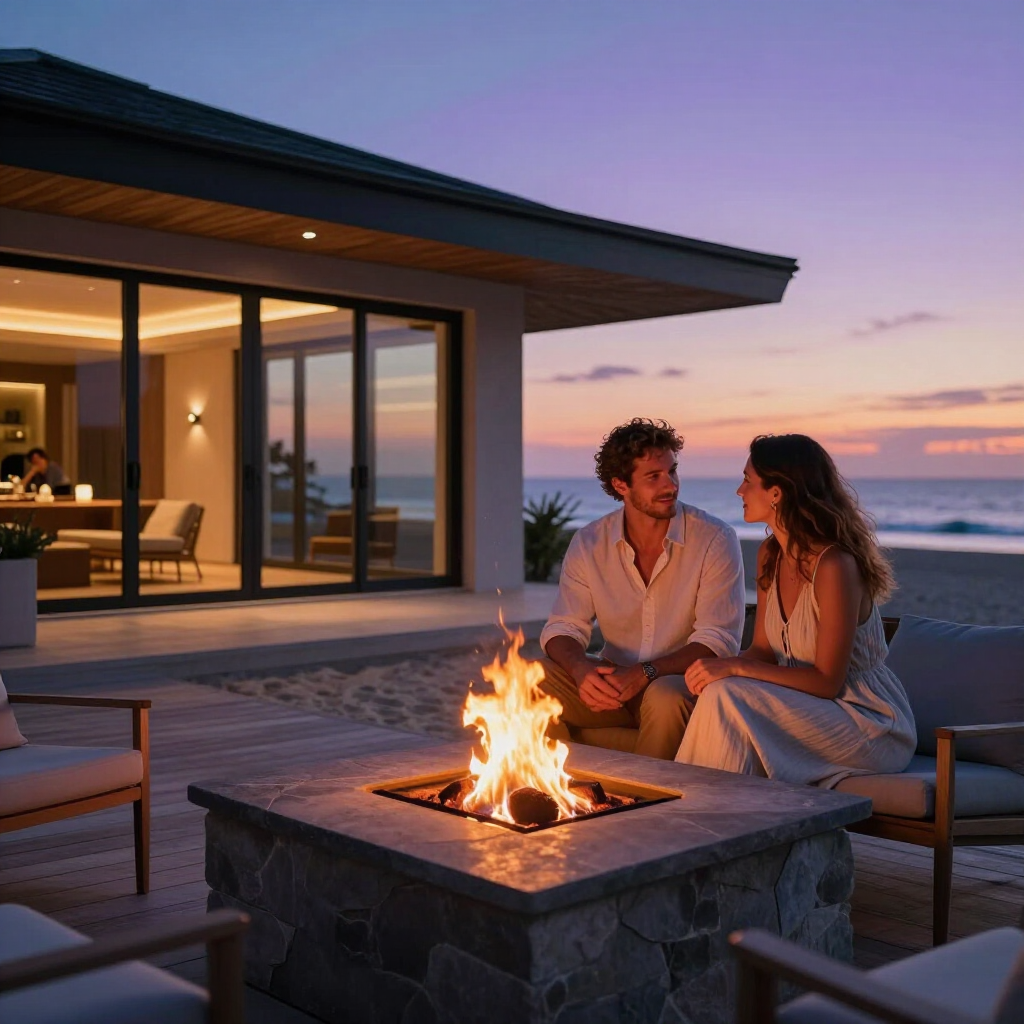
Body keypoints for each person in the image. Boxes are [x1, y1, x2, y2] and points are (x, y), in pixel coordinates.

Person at [676, 433, 915, 787]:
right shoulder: (771, 555)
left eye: (747, 480)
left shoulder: (834, 565)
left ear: (776, 492)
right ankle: (713, 817)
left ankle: (697, 814)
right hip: (805, 708)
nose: (739, 491)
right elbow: (762, 652)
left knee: (729, 693)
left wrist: (735, 667)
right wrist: (717, 669)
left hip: (867, 722)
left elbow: (826, 682)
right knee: (719, 690)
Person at [539, 418, 746, 760]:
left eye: (672, 471)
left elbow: (718, 640)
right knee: (531, 679)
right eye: (654, 477)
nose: (671, 485)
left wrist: (645, 673)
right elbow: (563, 627)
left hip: (678, 682)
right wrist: (580, 669)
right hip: (614, 681)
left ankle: (644, 799)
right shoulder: (590, 542)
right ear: (621, 485)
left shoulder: (714, 538)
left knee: (664, 697)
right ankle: (561, 787)